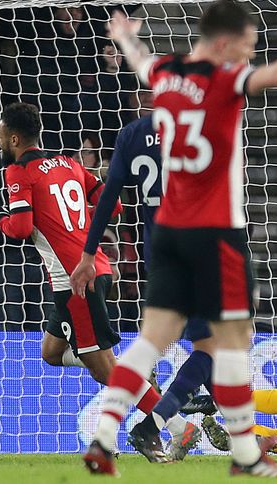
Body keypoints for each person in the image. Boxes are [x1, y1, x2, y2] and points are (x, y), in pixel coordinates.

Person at [83, 0, 277, 478]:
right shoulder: (223, 82)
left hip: (169, 235)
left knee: (151, 341)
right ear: (223, 43)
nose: (250, 55)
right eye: (246, 46)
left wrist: (124, 36)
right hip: (214, 234)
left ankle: (104, 437)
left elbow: (140, 61)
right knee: (233, 343)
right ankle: (245, 456)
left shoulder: (165, 73)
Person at [0, 102, 178, 440]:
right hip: (97, 268)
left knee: (107, 372)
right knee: (51, 352)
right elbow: (114, 204)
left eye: (1, 135)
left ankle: (179, 427)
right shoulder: (69, 163)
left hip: (73, 280)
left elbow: (19, 228)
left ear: (15, 138)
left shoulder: (18, 172)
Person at [70, 113, 208, 462]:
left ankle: (177, 408)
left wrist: (88, 253)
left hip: (157, 258)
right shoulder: (200, 129)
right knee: (216, 344)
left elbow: (108, 197)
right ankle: (165, 415)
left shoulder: (133, 134)